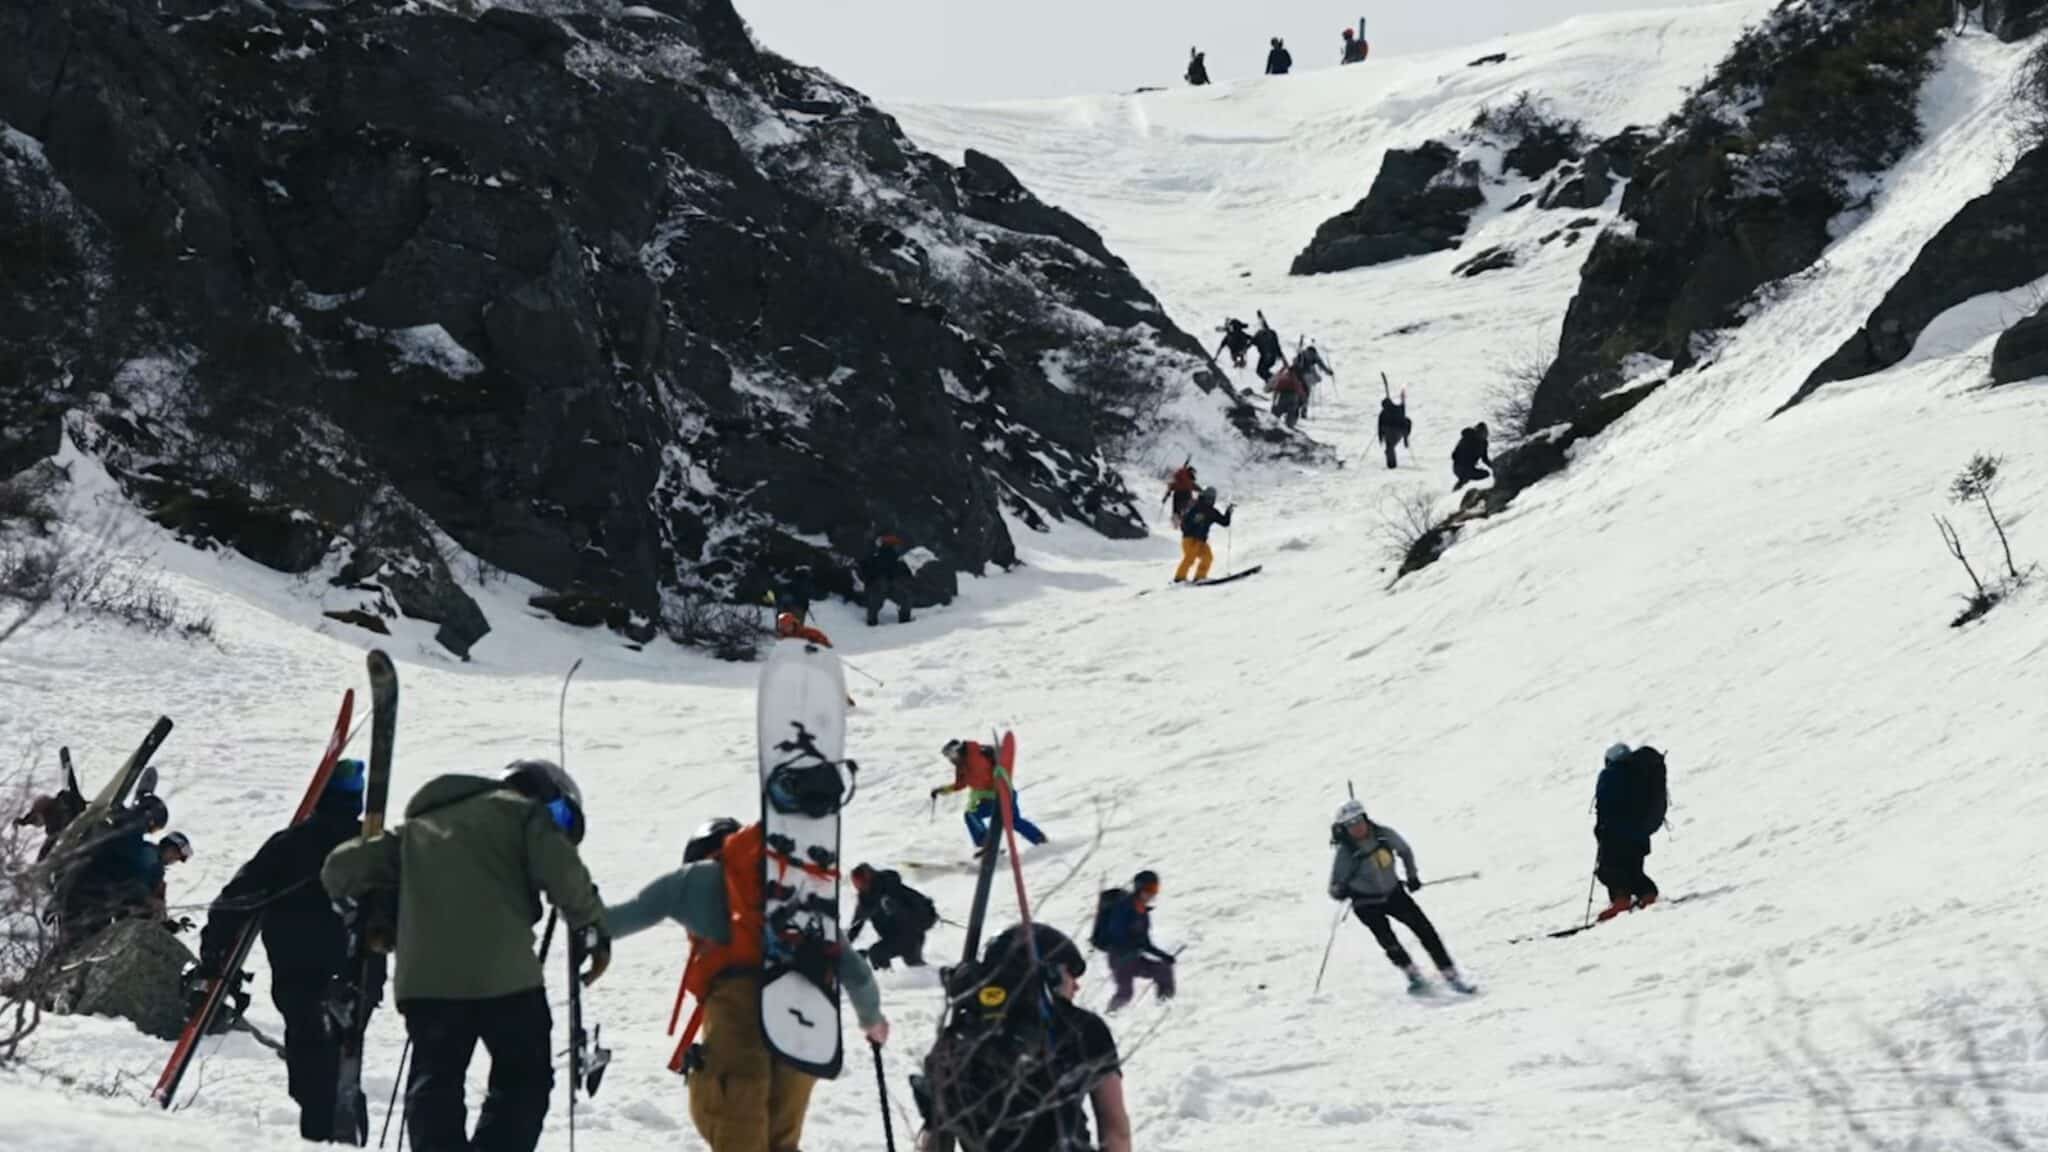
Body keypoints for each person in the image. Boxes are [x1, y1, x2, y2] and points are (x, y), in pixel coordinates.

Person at [322, 759, 609, 1152]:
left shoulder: (416, 832)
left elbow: (339, 868)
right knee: (523, 1078)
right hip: (506, 979)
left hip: (427, 986)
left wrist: (368, 911)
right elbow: (563, 872)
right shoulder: (523, 814)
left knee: (435, 1081)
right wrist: (591, 925)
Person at [605, 819, 888, 1152]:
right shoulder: (793, 888)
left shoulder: (694, 879)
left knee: (738, 1136)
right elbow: (856, 973)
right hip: (801, 1023)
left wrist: (571, 899)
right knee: (782, 1142)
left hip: (736, 1014)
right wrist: (872, 1020)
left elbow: (613, 922)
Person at [197, 759, 369, 1142]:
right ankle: (340, 1121)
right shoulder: (372, 847)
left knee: (311, 1055)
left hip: (298, 967)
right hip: (355, 966)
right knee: (341, 1055)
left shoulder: (288, 844)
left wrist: (213, 953)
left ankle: (320, 1130)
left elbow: (235, 899)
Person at [916, 922, 1131, 1152]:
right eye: (1070, 974)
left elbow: (937, 1132)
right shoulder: (1084, 1028)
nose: (1076, 987)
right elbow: (1115, 1127)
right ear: (1052, 974)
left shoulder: (959, 1034)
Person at [1327, 800, 1473, 994]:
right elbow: (1335, 885)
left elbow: (1404, 850)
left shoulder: (1383, 835)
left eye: (1358, 821)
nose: (1357, 827)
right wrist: (1340, 891)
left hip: (1394, 894)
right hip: (1366, 903)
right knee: (1389, 942)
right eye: (1350, 824)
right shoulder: (1345, 852)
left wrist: (1412, 876)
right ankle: (1411, 973)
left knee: (1426, 931)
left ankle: (1450, 974)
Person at [1594, 743, 1669, 921]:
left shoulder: (1611, 775)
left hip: (1616, 832)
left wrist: (1601, 829)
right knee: (1632, 867)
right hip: (1640, 832)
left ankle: (1622, 901)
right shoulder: (1641, 772)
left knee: (1609, 869)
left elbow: (1605, 805)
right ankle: (1647, 894)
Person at [931, 739, 1047, 849]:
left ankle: (986, 842)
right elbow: (960, 785)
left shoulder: (976, 756)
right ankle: (1038, 838)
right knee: (1012, 821)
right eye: (948, 757)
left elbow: (996, 758)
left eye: (951, 755)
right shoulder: (962, 766)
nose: (951, 759)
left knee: (972, 814)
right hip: (999, 796)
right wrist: (941, 790)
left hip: (1000, 795)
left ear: (958, 750)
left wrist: (995, 754)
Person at [1094, 871, 1176, 1012]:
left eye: (1155, 889)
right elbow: (1116, 933)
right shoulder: (1123, 907)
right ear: (1139, 888)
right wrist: (1133, 945)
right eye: (1150, 889)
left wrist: (1163, 956)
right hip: (1120, 959)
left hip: (1134, 959)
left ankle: (1164, 1008)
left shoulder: (1142, 912)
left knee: (1163, 970)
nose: (1153, 894)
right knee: (1126, 993)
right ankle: (1109, 1016)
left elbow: (1145, 943)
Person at [847, 864, 938, 971]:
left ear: (870, 878)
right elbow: (857, 924)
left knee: (882, 954)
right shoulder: (865, 899)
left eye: (860, 882)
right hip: (892, 938)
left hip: (912, 935)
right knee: (879, 954)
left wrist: (897, 909)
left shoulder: (891, 887)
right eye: (856, 883)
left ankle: (933, 977)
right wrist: (845, 944)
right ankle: (888, 979)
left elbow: (918, 909)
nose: (858, 887)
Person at [1173, 487, 1233, 584]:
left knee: (1207, 557)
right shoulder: (1195, 508)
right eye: (1208, 497)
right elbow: (1184, 524)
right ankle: (1179, 578)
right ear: (1204, 496)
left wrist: (1228, 512)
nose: (1210, 500)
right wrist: (1194, 522)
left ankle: (1200, 577)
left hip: (1201, 541)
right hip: (1190, 539)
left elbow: (1224, 522)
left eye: (1212, 498)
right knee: (1190, 558)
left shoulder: (1212, 511)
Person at [860, 534, 915, 627]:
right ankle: (904, 620)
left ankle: (872, 620)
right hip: (879, 586)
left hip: (886, 585)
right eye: (896, 545)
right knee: (883, 592)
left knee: (904, 596)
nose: (898, 547)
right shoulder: (889, 558)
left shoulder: (881, 557)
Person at [1377, 390, 1411, 470]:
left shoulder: (1393, 411)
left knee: (1389, 448)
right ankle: (1391, 464)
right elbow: (1380, 426)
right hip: (1395, 433)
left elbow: (1380, 426)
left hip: (1394, 433)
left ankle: (1392, 465)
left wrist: (1381, 437)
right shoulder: (1387, 412)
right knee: (1389, 448)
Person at [1452, 423, 1492, 488]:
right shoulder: (1468, 439)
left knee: (1485, 474)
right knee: (1478, 475)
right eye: (1482, 432)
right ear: (1477, 432)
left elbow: (1485, 459)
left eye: (1485, 433)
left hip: (1470, 468)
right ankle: (1459, 490)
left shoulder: (1484, 443)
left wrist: (1494, 466)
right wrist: (1465, 462)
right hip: (1459, 468)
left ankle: (1460, 486)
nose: (1484, 435)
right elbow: (1454, 455)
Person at [1161, 461, 1198, 528]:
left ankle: (1175, 525)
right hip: (1186, 495)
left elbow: (1172, 486)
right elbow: (1194, 486)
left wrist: (1166, 496)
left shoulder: (1179, 476)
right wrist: (1203, 491)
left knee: (1176, 511)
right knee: (1188, 509)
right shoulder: (1189, 480)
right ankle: (1184, 523)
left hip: (1177, 495)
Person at [1267, 364, 1306, 428]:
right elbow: (1300, 391)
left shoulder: (1283, 378)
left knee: (1276, 412)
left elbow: (1276, 390)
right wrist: (1303, 401)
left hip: (1283, 397)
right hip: (1294, 398)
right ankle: (1290, 425)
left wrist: (1274, 402)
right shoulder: (1296, 379)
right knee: (1292, 413)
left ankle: (1273, 425)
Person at [1251, 314, 1284, 382]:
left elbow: (1276, 345)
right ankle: (1270, 381)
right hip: (1265, 356)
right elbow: (1252, 342)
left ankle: (1274, 380)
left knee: (1262, 370)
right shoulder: (1260, 334)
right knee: (1260, 371)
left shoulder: (1270, 333)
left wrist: (1280, 355)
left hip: (1270, 356)